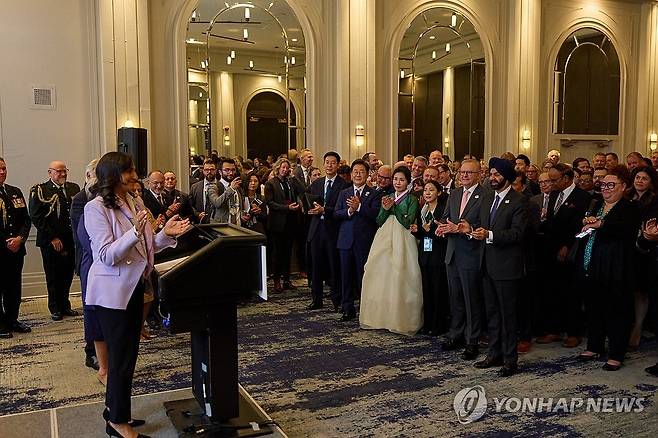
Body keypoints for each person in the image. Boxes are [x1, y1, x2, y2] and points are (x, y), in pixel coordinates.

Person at [84, 152, 191, 438]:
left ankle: (114, 411)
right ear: (112, 176)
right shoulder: (95, 208)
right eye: (129, 171)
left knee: (128, 356)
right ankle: (118, 423)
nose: (135, 176)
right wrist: (134, 231)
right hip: (112, 294)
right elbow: (107, 255)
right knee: (120, 358)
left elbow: (147, 246)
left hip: (135, 288)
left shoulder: (135, 201)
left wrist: (166, 234)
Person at [575, 165, 640, 371]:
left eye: (611, 185)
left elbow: (625, 230)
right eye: (603, 185)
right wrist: (587, 221)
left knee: (617, 310)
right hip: (592, 265)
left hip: (616, 268)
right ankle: (594, 346)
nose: (606, 188)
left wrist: (600, 225)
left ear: (624, 186)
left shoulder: (630, 207)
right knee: (594, 307)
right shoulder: (596, 204)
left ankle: (616, 353)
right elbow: (586, 226)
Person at [469, 158, 528, 377]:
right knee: (492, 314)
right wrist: (470, 229)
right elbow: (482, 227)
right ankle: (494, 354)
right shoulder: (487, 199)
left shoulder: (519, 201)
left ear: (507, 177)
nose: (492, 178)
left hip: (507, 268)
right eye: (491, 174)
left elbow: (518, 234)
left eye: (497, 175)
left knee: (508, 316)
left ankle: (510, 360)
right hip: (487, 265)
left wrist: (490, 234)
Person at [359, 166, 422, 335]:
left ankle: (400, 318)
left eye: (401, 180)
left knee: (402, 272)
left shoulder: (412, 199)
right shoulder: (387, 197)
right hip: (384, 236)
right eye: (395, 179)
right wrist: (386, 209)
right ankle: (381, 316)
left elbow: (408, 222)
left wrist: (393, 208)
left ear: (407, 182)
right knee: (379, 272)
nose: (397, 183)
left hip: (403, 238)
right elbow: (379, 220)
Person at [536, 163, 591, 348]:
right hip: (550, 250)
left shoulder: (583, 197)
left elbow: (580, 226)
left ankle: (573, 332)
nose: (550, 184)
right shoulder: (553, 195)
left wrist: (567, 245)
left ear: (566, 178)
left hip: (571, 251)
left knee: (571, 293)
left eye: (554, 180)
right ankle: (554, 329)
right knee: (552, 291)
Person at [438, 159, 487, 360]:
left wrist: (461, 229)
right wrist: (442, 226)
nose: (464, 175)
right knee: (456, 299)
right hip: (452, 254)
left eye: (469, 172)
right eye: (462, 172)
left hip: (471, 254)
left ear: (479, 175)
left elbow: (484, 224)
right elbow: (446, 217)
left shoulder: (486, 195)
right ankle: (456, 335)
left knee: (471, 300)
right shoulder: (455, 193)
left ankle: (472, 341)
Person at [29, 160, 81, 321]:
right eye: (59, 171)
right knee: (53, 275)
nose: (63, 174)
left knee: (67, 274)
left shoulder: (73, 188)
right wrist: (53, 237)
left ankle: (65, 305)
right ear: (50, 172)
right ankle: (55, 307)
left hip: (70, 239)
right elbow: (36, 217)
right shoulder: (40, 190)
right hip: (50, 241)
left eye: (65, 171)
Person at [70, 158, 107, 378]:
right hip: (89, 259)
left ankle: (105, 350)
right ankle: (90, 351)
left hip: (105, 259)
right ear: (88, 176)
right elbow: (82, 236)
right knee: (91, 307)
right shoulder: (80, 200)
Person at [334, 159, 380, 320]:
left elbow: (376, 215)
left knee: (363, 276)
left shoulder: (374, 194)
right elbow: (336, 213)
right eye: (355, 172)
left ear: (367, 175)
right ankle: (347, 308)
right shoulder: (344, 193)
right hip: (345, 241)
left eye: (361, 172)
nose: (358, 175)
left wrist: (359, 207)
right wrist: (349, 211)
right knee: (345, 276)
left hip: (364, 242)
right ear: (351, 174)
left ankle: (365, 309)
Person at [305, 152, 350, 310]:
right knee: (316, 266)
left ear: (337, 165)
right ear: (323, 164)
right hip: (316, 229)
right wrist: (310, 209)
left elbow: (341, 208)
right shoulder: (317, 183)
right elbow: (309, 201)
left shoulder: (344, 185)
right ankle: (316, 299)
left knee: (334, 266)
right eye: (327, 162)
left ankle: (337, 299)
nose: (329, 165)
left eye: (333, 162)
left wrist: (325, 210)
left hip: (333, 230)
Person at [410, 180, 449, 336]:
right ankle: (427, 324)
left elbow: (443, 234)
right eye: (425, 189)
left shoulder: (443, 210)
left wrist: (429, 230)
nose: (427, 192)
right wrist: (417, 230)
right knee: (426, 291)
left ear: (438, 193)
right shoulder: (423, 210)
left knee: (438, 291)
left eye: (431, 190)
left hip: (438, 255)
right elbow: (422, 233)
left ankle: (438, 325)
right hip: (425, 255)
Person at [627, 166, 658, 350]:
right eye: (637, 177)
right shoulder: (626, 196)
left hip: (644, 250)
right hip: (625, 249)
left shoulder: (654, 201)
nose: (639, 181)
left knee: (641, 290)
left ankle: (638, 327)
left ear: (651, 182)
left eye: (644, 178)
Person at [0, 157, 31, 338]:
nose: (2, 172)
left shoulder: (14, 191)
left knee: (13, 288)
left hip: (16, 250)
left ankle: (12, 320)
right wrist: (6, 242)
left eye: (4, 168)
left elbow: (26, 220)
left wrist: (20, 239)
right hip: (1, 250)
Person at [265, 157, 301, 292]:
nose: (285, 170)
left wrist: (294, 177)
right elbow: (270, 203)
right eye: (283, 167)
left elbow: (302, 190)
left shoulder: (290, 182)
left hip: (290, 221)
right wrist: (286, 208)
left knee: (287, 253)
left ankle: (286, 279)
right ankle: (276, 280)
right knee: (277, 253)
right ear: (278, 168)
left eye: (287, 168)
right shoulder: (271, 183)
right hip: (277, 223)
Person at [208, 158, 243, 224]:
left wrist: (243, 215)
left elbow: (238, 207)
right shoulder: (214, 186)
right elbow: (217, 203)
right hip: (222, 227)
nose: (231, 173)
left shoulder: (238, 187)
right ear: (220, 172)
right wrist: (231, 189)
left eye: (233, 170)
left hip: (238, 226)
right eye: (227, 170)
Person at [189, 158, 218, 223]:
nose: (209, 172)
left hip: (217, 222)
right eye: (206, 170)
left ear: (216, 171)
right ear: (203, 171)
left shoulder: (221, 186)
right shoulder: (195, 187)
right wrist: (197, 214)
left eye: (212, 169)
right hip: (200, 222)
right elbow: (190, 205)